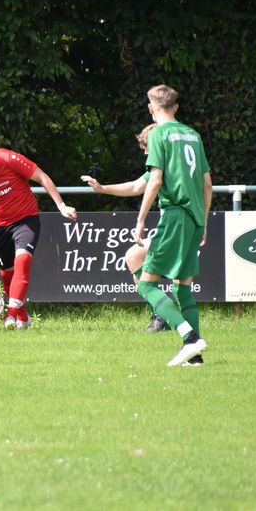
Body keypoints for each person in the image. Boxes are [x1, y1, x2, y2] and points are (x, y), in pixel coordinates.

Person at [0, 137, 78, 330]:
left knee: (22, 260)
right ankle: (23, 318)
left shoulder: (9, 159)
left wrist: (61, 206)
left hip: (25, 219)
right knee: (6, 275)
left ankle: (11, 315)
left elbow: (42, 177)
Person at [134, 85, 212, 367]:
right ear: (176, 107)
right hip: (195, 217)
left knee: (147, 285)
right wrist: (204, 221)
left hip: (175, 215)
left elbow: (155, 180)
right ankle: (195, 358)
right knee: (183, 288)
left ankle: (190, 338)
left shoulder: (158, 134)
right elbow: (207, 184)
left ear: (151, 108)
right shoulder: (193, 135)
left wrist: (141, 219)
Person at [81, 123, 170, 333]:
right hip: (174, 225)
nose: (145, 153)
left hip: (177, 225)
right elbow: (136, 186)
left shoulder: (165, 165)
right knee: (135, 259)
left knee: (138, 259)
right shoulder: (162, 165)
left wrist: (141, 220)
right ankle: (164, 315)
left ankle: (171, 318)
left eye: (146, 147)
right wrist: (102, 188)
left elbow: (149, 185)